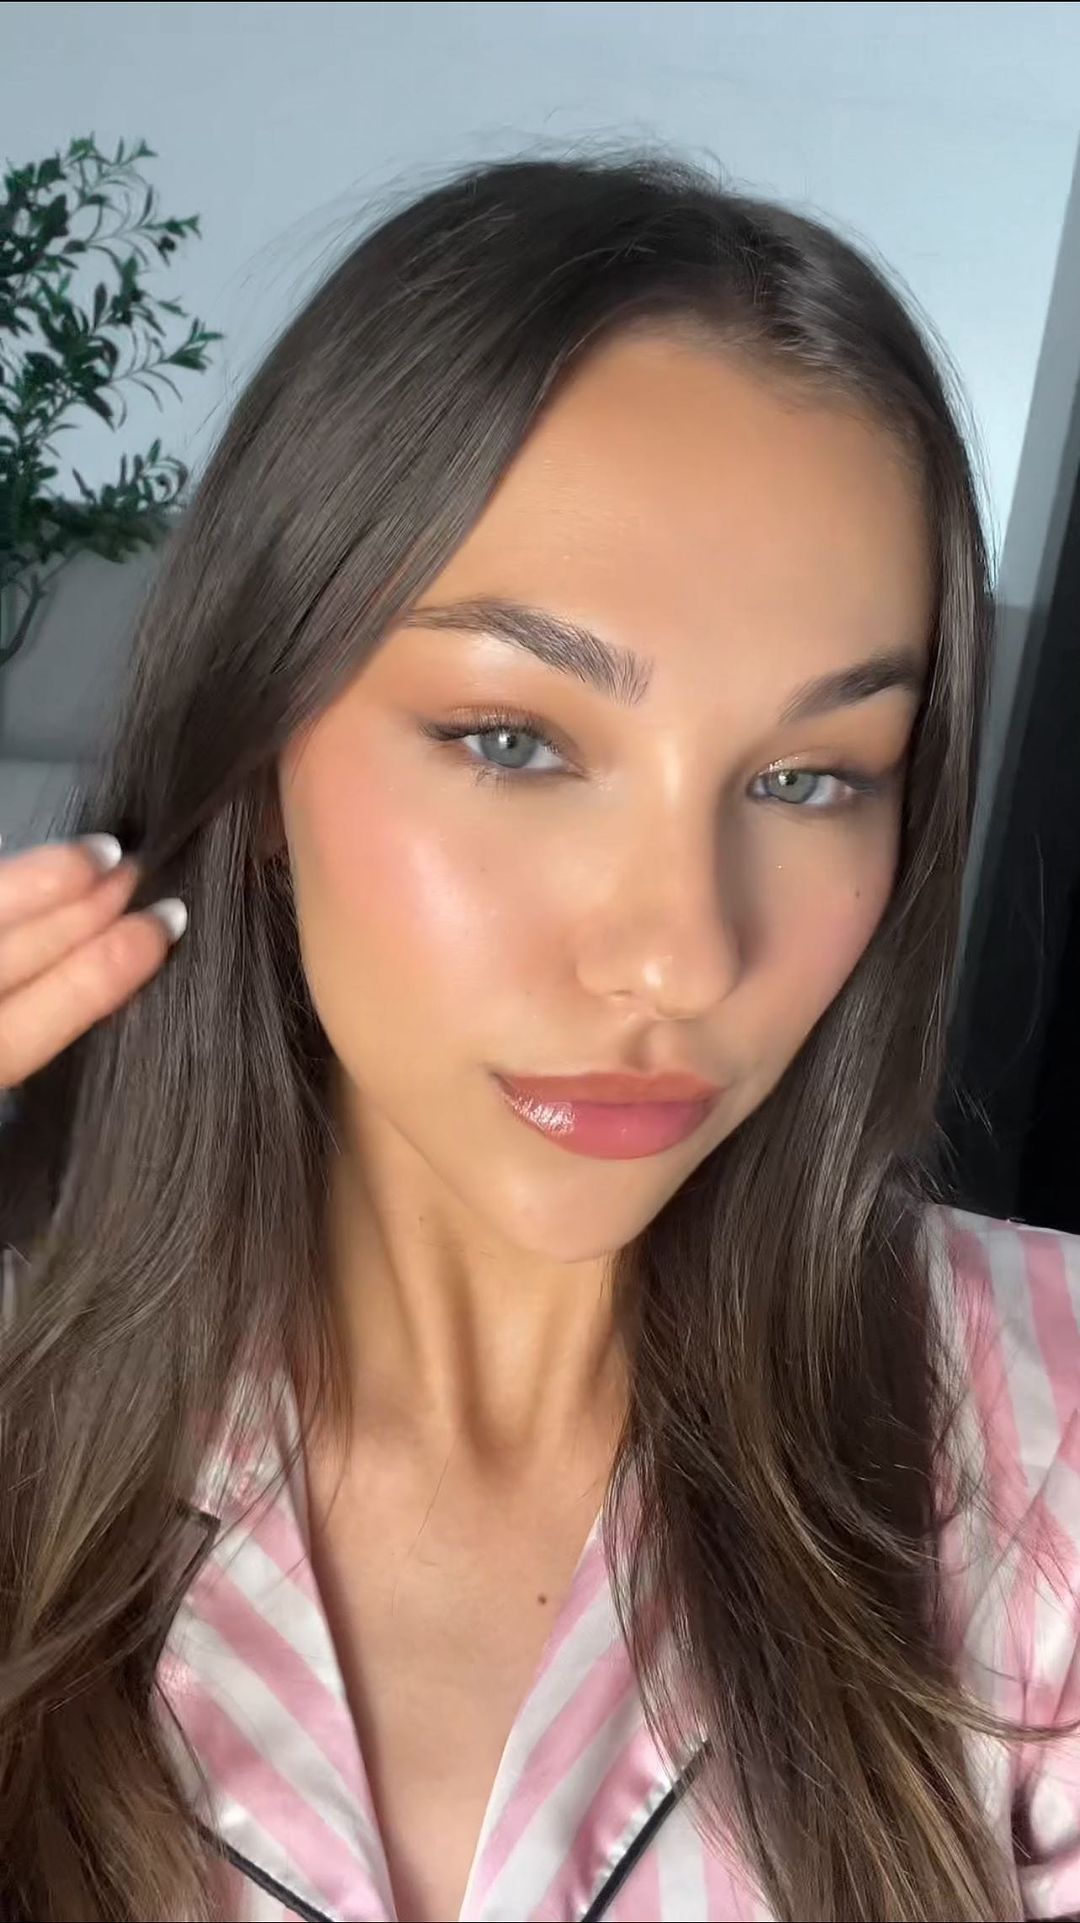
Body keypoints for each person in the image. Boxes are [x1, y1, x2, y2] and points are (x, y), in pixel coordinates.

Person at [0, 153, 1077, 1923]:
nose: (678, 956)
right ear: (257, 761)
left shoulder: (1043, 1423)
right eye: (513, 743)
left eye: (812, 778)